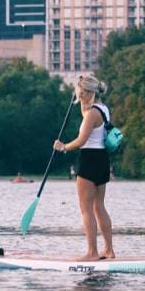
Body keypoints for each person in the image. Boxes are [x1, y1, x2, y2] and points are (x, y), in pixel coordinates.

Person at [53, 72, 115, 261]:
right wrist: (80, 95)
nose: (80, 97)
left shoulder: (92, 114)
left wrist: (63, 147)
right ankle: (109, 250)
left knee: (86, 208)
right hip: (103, 159)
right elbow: (85, 113)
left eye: (82, 94)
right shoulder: (103, 109)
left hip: (89, 159)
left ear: (90, 93)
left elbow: (81, 141)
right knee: (99, 206)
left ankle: (92, 253)